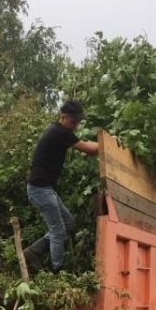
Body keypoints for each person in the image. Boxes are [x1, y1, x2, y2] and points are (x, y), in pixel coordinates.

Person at [26, 99, 99, 273]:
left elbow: (85, 146)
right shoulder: (60, 132)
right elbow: (90, 150)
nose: (75, 125)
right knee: (58, 230)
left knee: (68, 222)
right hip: (40, 189)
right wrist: (108, 142)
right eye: (73, 121)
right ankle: (57, 272)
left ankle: (34, 251)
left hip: (44, 189)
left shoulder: (58, 131)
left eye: (78, 122)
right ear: (63, 117)